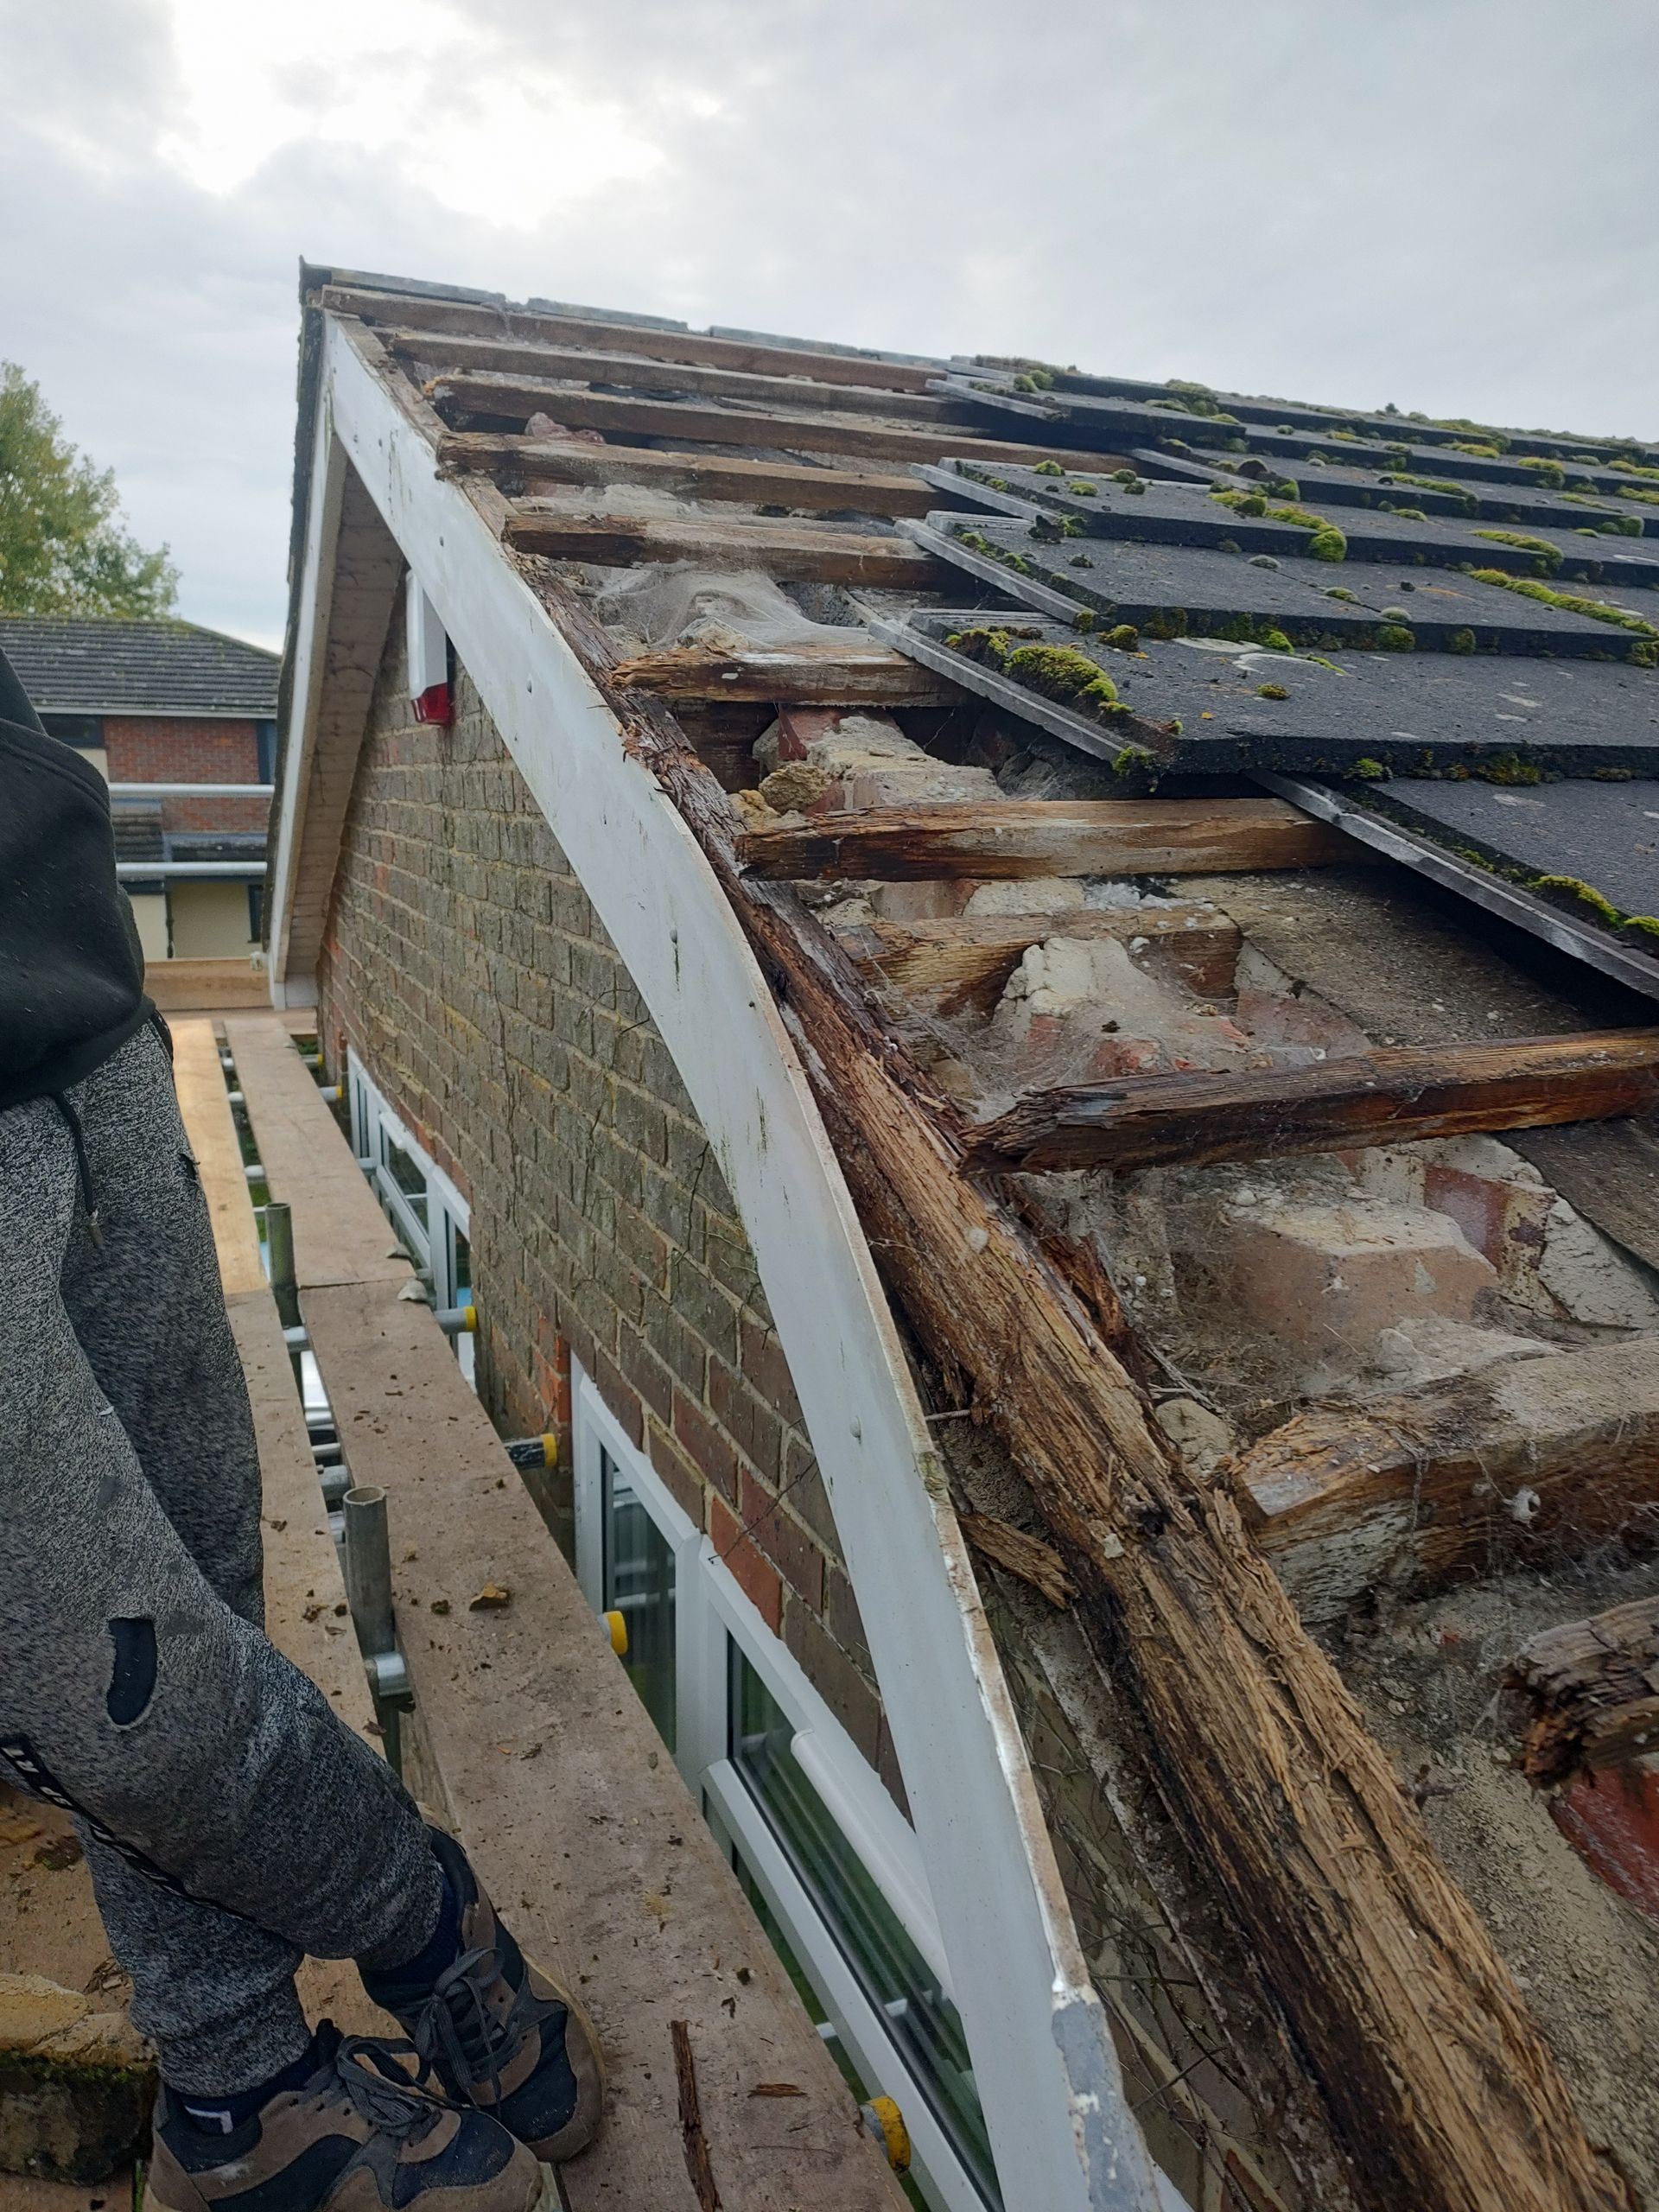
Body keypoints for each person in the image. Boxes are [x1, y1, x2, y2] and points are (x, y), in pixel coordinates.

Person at [0, 644, 601, 2211]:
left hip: (62, 978)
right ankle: (427, 1920)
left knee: (199, 1579)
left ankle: (239, 2092)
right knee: (112, 1692)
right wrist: (399, 1902)